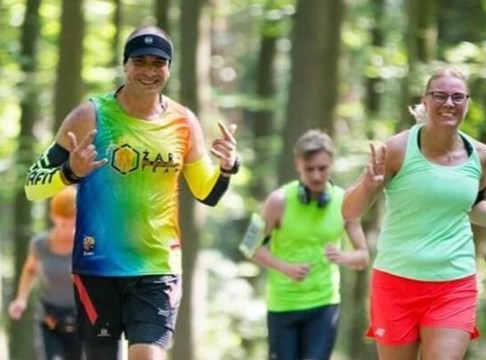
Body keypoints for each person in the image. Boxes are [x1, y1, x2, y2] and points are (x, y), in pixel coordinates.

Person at [24, 26, 239, 360]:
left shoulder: (184, 122)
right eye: (141, 61)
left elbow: (206, 194)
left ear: (168, 68)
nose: (150, 71)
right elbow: (32, 185)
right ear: (125, 65)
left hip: (157, 266)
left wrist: (226, 168)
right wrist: (70, 172)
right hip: (97, 267)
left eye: (159, 63)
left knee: (146, 355)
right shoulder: (89, 117)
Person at [341, 67, 486, 360]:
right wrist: (366, 184)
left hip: (453, 283)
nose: (448, 103)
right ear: (425, 101)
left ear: (467, 103)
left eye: (457, 97)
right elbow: (350, 211)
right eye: (439, 95)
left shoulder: (481, 155)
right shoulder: (397, 149)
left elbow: (472, 205)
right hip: (396, 281)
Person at [250, 129, 370, 360]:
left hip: (323, 305)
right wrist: (285, 267)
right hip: (283, 305)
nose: (316, 176)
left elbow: (363, 256)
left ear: (331, 164)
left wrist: (342, 257)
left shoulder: (345, 202)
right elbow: (250, 247)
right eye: (310, 169)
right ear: (298, 165)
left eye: (322, 168)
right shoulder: (277, 201)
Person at [9, 186, 83, 360]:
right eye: (64, 223)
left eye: (74, 223)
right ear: (53, 217)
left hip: (81, 318)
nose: (69, 230)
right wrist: (21, 299)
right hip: (50, 318)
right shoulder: (40, 245)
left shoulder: (86, 246)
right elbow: (30, 270)